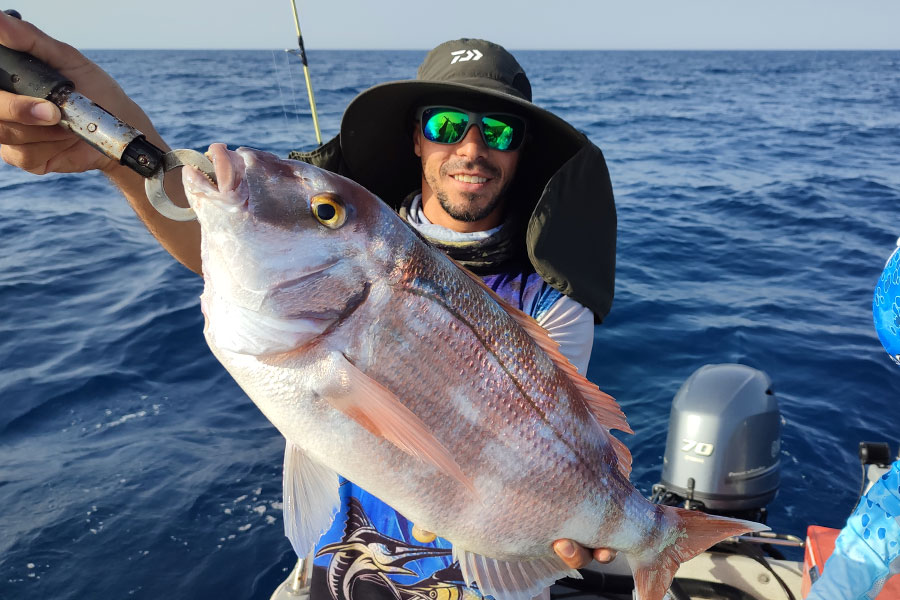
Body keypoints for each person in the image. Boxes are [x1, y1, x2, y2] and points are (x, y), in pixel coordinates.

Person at [0, 15, 619, 600]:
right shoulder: (354, 246)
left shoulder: (553, 305)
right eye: (446, 125)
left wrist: (586, 523)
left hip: (482, 573)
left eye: (500, 132)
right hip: (338, 571)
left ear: (520, 153)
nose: (472, 148)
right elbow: (215, 237)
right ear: (417, 138)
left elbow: (554, 452)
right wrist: (110, 141)